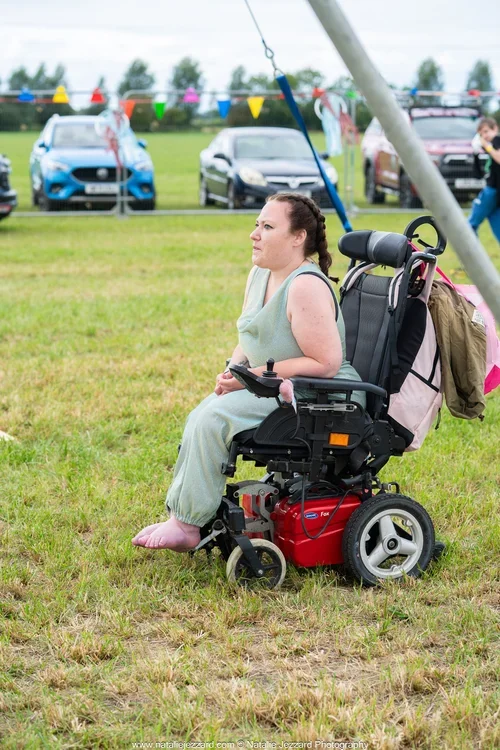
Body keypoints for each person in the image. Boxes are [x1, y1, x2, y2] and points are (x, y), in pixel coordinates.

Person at [132, 193, 364, 552]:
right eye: (257, 224)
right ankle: (183, 515)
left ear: (297, 237)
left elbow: (326, 363)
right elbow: (249, 333)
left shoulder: (305, 286)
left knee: (214, 420)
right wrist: (234, 369)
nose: (254, 234)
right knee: (204, 413)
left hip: (318, 394)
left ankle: (187, 525)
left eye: (267, 226)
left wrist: (252, 374)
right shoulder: (260, 274)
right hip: (271, 385)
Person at [468, 117, 500, 243]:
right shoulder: (491, 146)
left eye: (486, 132)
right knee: (497, 226)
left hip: (491, 192)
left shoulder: (496, 140)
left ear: (495, 128)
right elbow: (478, 175)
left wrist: (487, 146)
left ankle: (471, 259)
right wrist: (476, 153)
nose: (484, 136)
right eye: (481, 134)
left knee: (470, 225)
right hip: (496, 193)